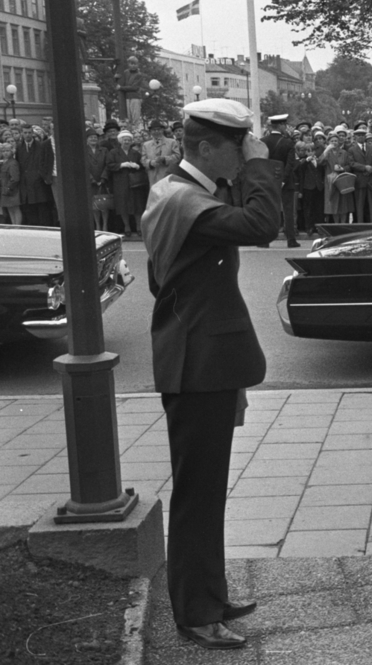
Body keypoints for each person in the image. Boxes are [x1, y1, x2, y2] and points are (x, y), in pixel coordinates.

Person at [140, 99, 282, 650]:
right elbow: (263, 225)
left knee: (206, 492)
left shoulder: (180, 192)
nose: (245, 154)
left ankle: (210, 595)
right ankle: (196, 613)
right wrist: (261, 165)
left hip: (201, 356)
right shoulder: (186, 199)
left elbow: (161, 279)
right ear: (204, 147)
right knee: (198, 495)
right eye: (238, 146)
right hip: (195, 362)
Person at [263, 114, 300, 247]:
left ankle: (265, 240)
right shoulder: (288, 142)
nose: (286, 127)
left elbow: (261, 162)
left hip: (268, 180)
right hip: (286, 181)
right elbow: (290, 164)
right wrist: (283, 180)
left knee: (268, 210)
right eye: (285, 125)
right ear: (280, 125)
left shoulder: (263, 141)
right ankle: (291, 239)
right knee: (288, 211)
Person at [106, 130, 145, 237]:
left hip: (134, 183)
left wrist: (138, 166)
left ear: (131, 141)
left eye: (128, 140)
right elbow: (109, 165)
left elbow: (142, 166)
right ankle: (126, 227)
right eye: (124, 140)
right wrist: (121, 165)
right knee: (123, 205)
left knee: (137, 205)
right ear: (120, 141)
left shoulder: (136, 153)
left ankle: (138, 227)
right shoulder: (113, 152)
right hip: (120, 182)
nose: (126, 142)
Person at [16, 124, 53, 226]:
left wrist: (41, 176)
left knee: (42, 209)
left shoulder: (41, 146)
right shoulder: (19, 147)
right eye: (25, 133)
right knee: (29, 210)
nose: (27, 135)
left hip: (39, 182)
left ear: (32, 133)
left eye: (29, 132)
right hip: (25, 183)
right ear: (21, 134)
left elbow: (45, 162)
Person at [347, 126, 372, 223]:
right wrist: (364, 167)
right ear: (355, 137)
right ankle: (359, 224)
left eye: (362, 135)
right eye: (358, 135)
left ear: (365, 136)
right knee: (359, 204)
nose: (360, 137)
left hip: (371, 180)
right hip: (359, 180)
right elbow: (351, 163)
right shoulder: (351, 149)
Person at [142, 119, 181, 187]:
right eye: (154, 130)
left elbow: (177, 157)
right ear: (150, 131)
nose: (156, 131)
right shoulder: (146, 145)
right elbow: (143, 160)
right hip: (153, 177)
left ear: (163, 130)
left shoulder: (172, 142)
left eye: (159, 129)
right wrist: (150, 163)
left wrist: (164, 159)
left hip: (168, 176)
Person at [84, 130, 110, 232]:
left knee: (104, 204)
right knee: (94, 205)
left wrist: (103, 178)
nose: (93, 139)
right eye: (91, 137)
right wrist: (92, 179)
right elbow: (83, 166)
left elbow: (108, 164)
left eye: (95, 137)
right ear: (86, 139)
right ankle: (97, 226)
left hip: (103, 181)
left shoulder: (104, 150)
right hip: (90, 182)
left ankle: (105, 225)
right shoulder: (83, 150)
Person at [0, 142, 20, 225]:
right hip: (5, 189)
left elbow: (15, 178)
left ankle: (17, 226)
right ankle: (14, 225)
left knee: (15, 209)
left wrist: (8, 188)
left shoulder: (13, 163)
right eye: (3, 151)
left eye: (7, 151)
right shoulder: (4, 163)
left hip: (12, 190)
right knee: (10, 209)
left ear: (12, 151)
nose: (5, 153)